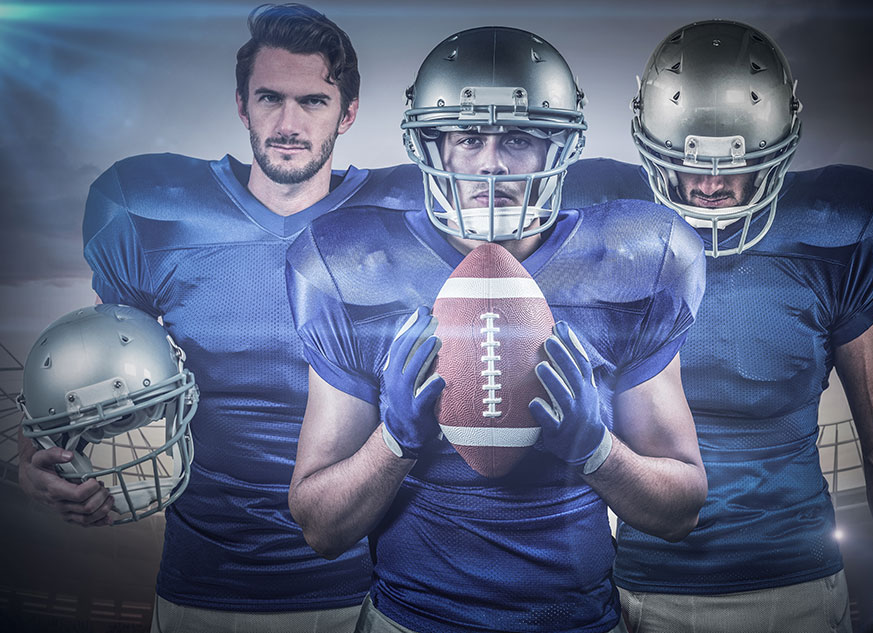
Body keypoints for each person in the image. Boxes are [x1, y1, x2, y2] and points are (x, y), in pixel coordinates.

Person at [285, 26, 708, 633]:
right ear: (432, 146)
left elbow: (680, 509)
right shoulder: (356, 264)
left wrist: (598, 451)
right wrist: (394, 442)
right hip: (412, 618)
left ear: (556, 149)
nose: (491, 162)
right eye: (468, 138)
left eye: (517, 138)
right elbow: (320, 527)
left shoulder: (627, 260)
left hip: (577, 620)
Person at [17, 4, 421, 632]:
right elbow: (101, 373)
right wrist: (40, 462)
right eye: (269, 98)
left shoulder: (403, 217)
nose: (288, 123)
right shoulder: (152, 213)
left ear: (348, 112)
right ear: (242, 105)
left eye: (312, 101)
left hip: (362, 588)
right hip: (198, 582)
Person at [579, 20, 873, 633]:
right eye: (691, 165)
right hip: (645, 585)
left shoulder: (833, 238)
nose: (711, 186)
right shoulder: (612, 230)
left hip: (797, 581)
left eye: (735, 165)